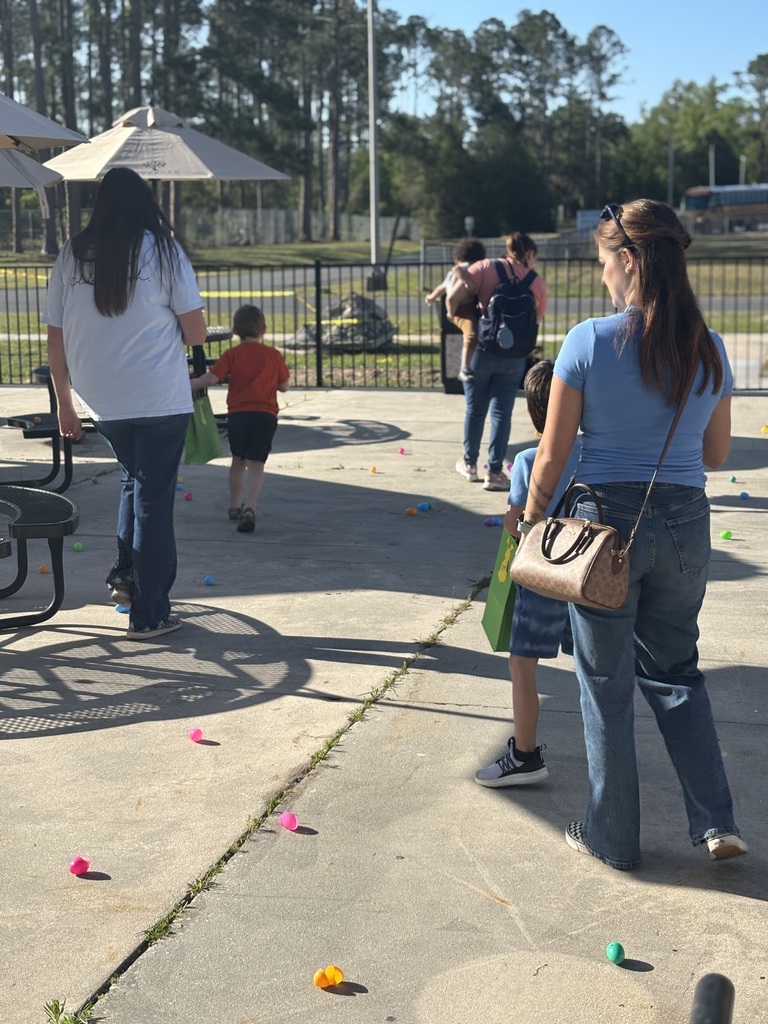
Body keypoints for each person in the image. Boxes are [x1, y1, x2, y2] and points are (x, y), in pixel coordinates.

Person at [520, 199, 747, 868]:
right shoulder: (708, 347)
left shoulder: (588, 340)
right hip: (685, 522)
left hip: (603, 531)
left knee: (604, 682)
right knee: (676, 672)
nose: (600, 277)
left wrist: (530, 521)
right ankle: (715, 822)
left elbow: (554, 454)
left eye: (601, 263)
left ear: (626, 260)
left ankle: (613, 836)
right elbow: (715, 455)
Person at [44, 166, 207, 641]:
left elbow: (55, 339)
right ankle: (150, 614)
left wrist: (65, 403)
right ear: (145, 203)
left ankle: (125, 579)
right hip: (158, 394)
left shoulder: (71, 254)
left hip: (101, 398)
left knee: (135, 484)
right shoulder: (164, 249)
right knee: (153, 498)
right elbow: (195, 332)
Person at [475, 360, 581, 787]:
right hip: (588, 574)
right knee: (596, 664)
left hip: (544, 576)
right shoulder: (594, 452)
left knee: (523, 663)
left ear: (534, 413)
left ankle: (524, 755)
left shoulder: (527, 459)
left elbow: (517, 521)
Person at [447, 232, 547, 491]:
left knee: (475, 409)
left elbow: (453, 298)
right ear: (531, 254)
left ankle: (469, 464)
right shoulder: (536, 282)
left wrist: (457, 316)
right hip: (514, 357)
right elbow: (535, 321)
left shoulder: (484, 267)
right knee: (502, 413)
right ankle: (494, 472)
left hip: (482, 350)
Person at [189, 304, 290, 533]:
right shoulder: (273, 355)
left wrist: (192, 384)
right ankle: (250, 506)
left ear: (235, 330)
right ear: (263, 329)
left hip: (239, 415)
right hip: (265, 416)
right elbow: (284, 386)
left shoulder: (232, 354)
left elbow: (213, 378)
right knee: (257, 463)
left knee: (238, 460)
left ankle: (234, 506)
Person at [425, 237, 486, 381]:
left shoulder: (454, 272)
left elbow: (442, 287)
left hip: (457, 308)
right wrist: (467, 281)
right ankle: (464, 368)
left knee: (471, 335)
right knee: (471, 335)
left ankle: (466, 366)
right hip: (463, 307)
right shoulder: (470, 268)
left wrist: (432, 297)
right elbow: (456, 271)